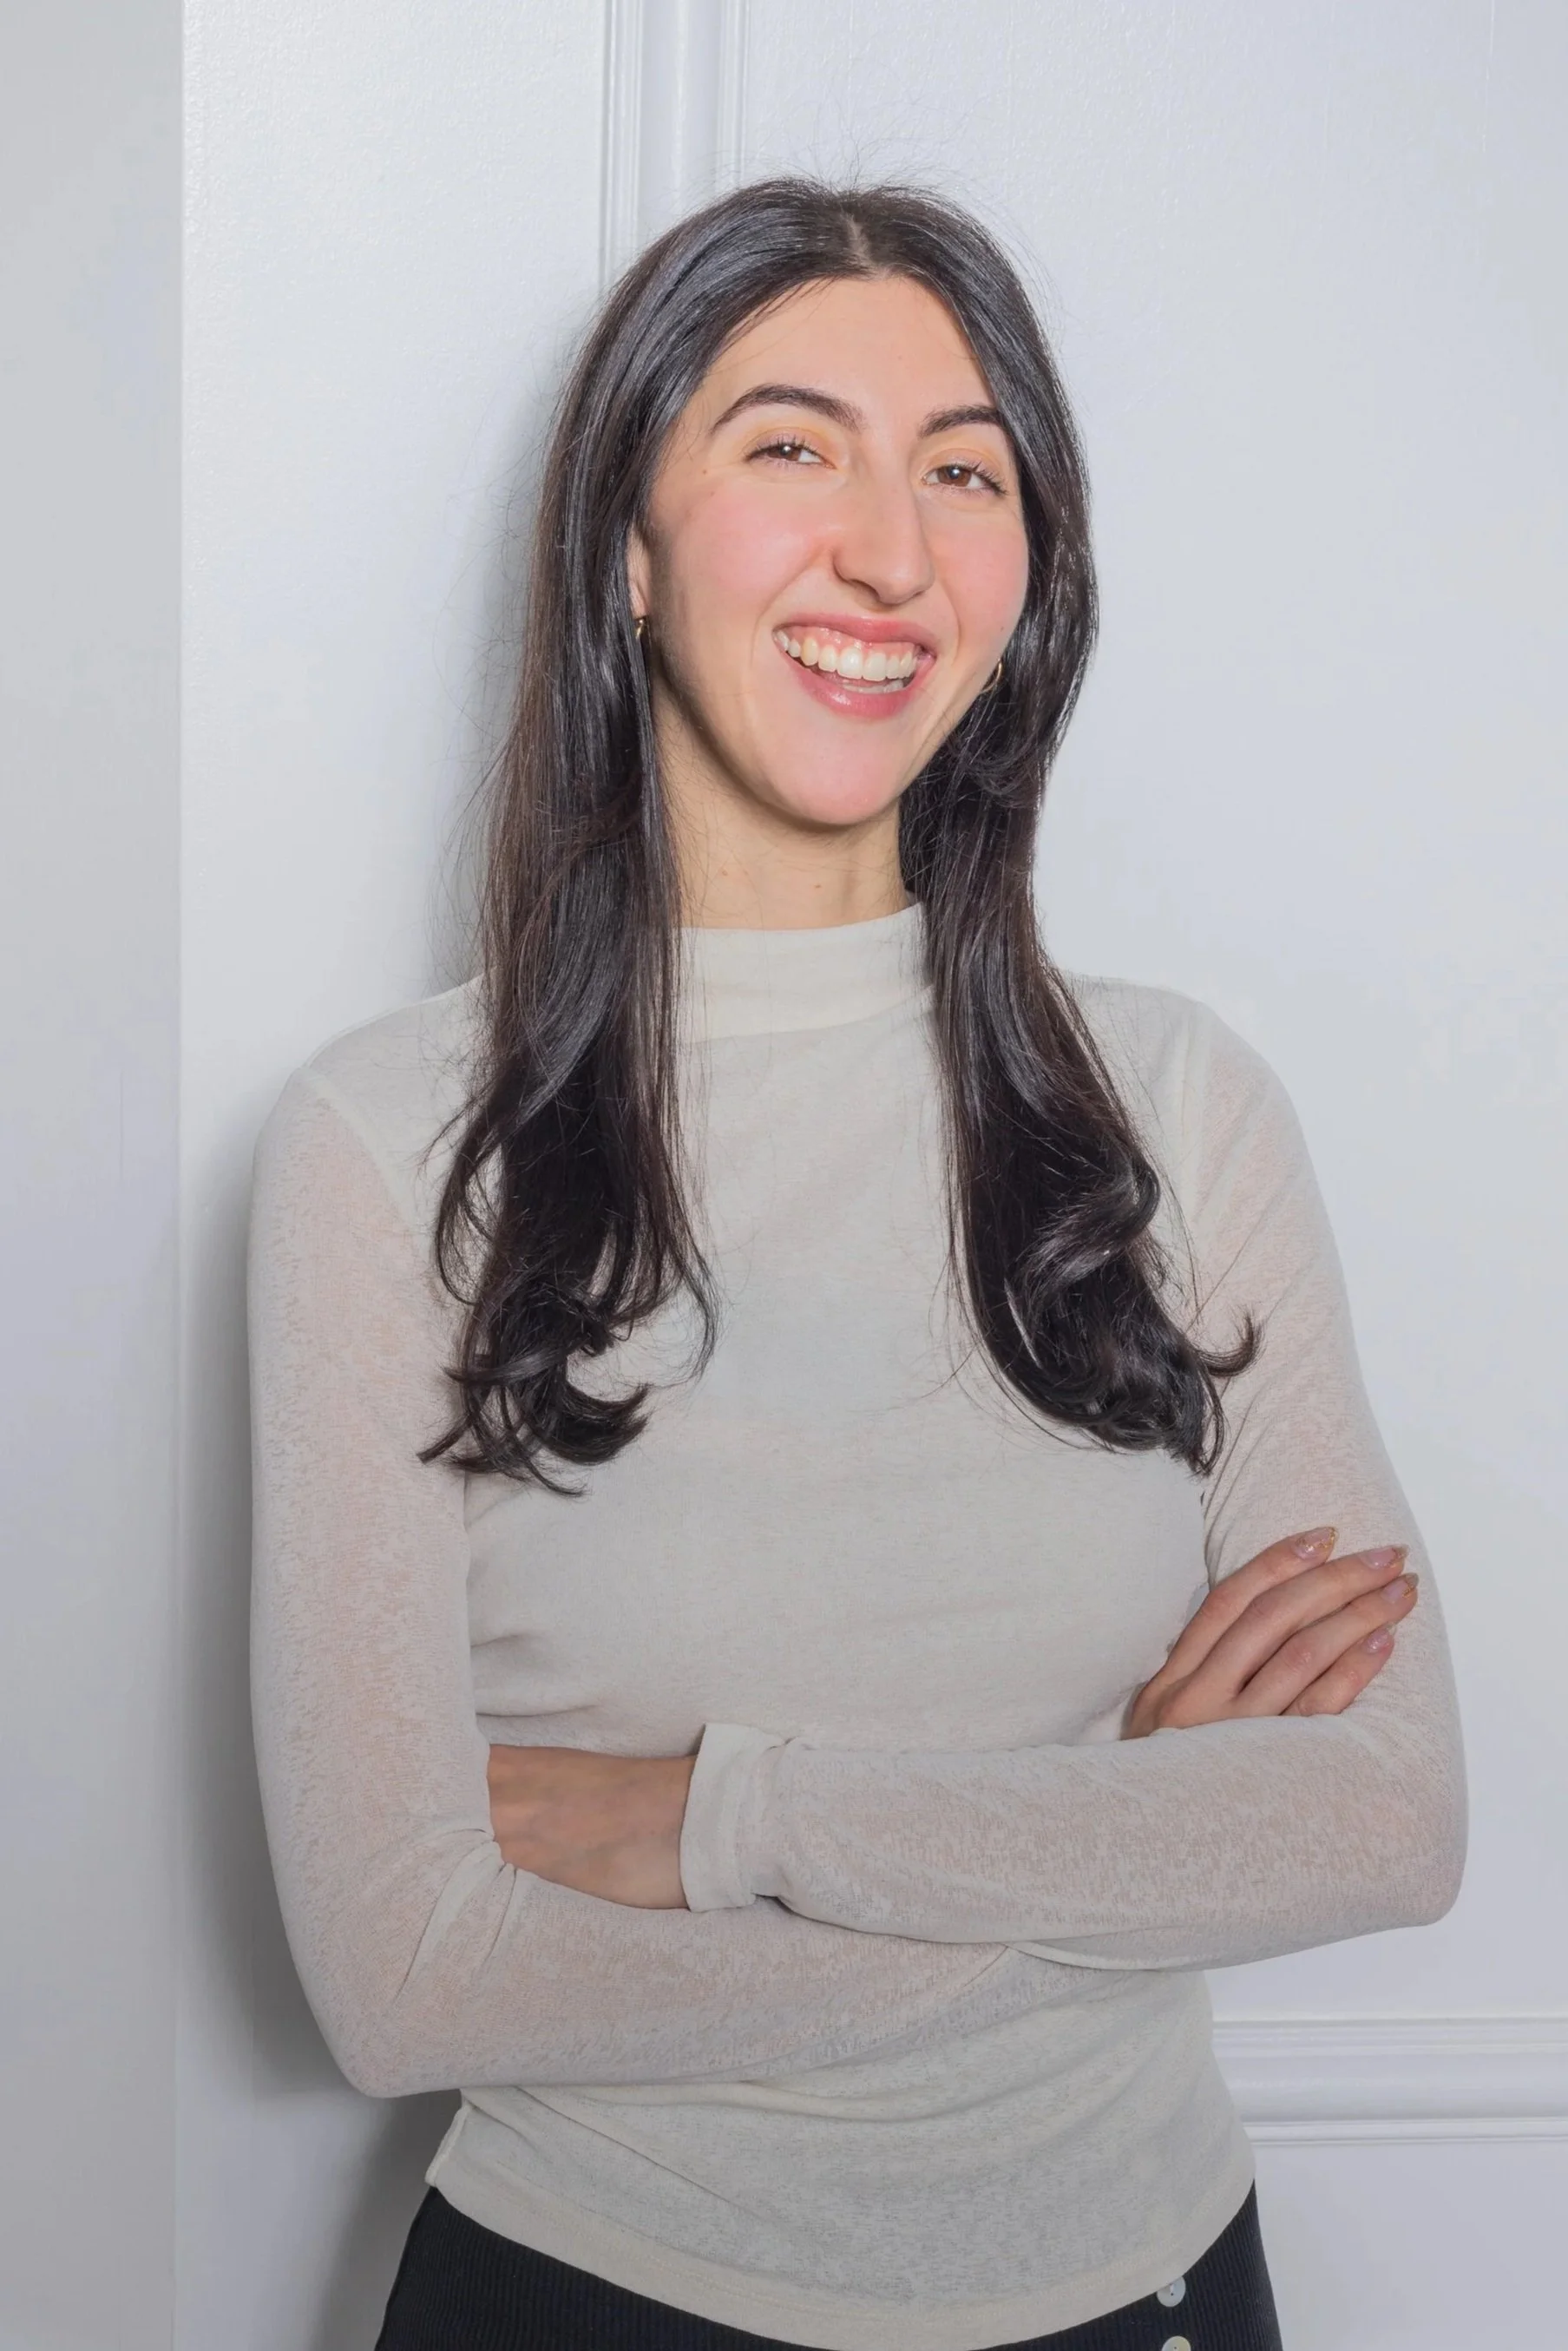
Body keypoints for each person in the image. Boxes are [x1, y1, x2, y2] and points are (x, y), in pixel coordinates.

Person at [247, 178, 1466, 2351]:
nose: (892, 552)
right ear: (627, 551)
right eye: (790, 443)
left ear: (1028, 574)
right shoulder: (384, 1153)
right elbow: (401, 1975)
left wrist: (727, 1816)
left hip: (1163, 2295)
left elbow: (1385, 1823)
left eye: (967, 470)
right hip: (606, 2301)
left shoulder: (1179, 1108)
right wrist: (1123, 1840)